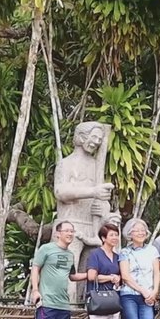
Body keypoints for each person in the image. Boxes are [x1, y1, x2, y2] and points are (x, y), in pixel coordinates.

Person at [53, 122, 121, 304]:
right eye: (93, 138)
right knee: (68, 274)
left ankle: (88, 312)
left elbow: (100, 201)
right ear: (82, 137)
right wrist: (92, 192)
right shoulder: (66, 164)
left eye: (99, 139)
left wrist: (107, 214)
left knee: (90, 275)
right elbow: (60, 192)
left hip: (93, 227)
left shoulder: (96, 166)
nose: (96, 142)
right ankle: (66, 312)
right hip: (70, 224)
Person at [30, 221, 87, 319]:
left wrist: (90, 275)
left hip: (63, 302)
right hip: (47, 299)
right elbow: (35, 269)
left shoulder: (70, 255)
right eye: (67, 231)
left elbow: (72, 276)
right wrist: (35, 290)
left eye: (72, 231)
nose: (70, 234)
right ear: (58, 233)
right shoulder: (46, 249)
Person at [118, 218, 160, 319]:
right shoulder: (124, 252)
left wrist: (154, 291)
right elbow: (125, 276)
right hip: (129, 294)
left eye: (143, 230)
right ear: (130, 233)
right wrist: (142, 290)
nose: (141, 233)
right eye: (137, 230)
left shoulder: (152, 251)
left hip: (149, 296)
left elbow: (156, 272)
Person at [80, 223, 122, 319]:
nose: (115, 237)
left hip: (113, 298)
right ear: (103, 238)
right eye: (111, 235)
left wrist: (118, 279)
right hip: (98, 298)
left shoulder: (118, 257)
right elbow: (91, 276)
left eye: (116, 234)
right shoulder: (96, 254)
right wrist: (110, 278)